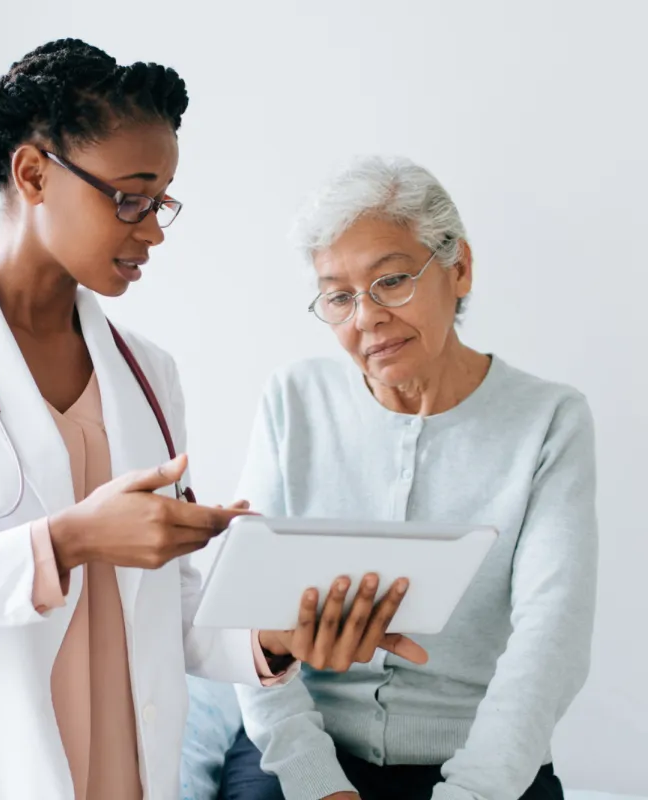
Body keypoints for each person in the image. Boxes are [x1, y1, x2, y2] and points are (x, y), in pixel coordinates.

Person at [0, 43, 425, 800]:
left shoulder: (150, 375)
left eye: (162, 203)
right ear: (33, 174)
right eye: (130, 198)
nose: (153, 231)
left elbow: (167, 613)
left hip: (123, 771)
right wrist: (67, 541)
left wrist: (277, 635)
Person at [223, 157, 597, 800]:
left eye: (391, 280)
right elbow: (245, 619)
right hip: (306, 745)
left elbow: (550, 643)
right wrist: (318, 783)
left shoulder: (549, 420)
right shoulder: (294, 401)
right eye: (338, 295)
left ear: (460, 269)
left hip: (483, 760)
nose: (365, 317)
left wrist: (472, 791)